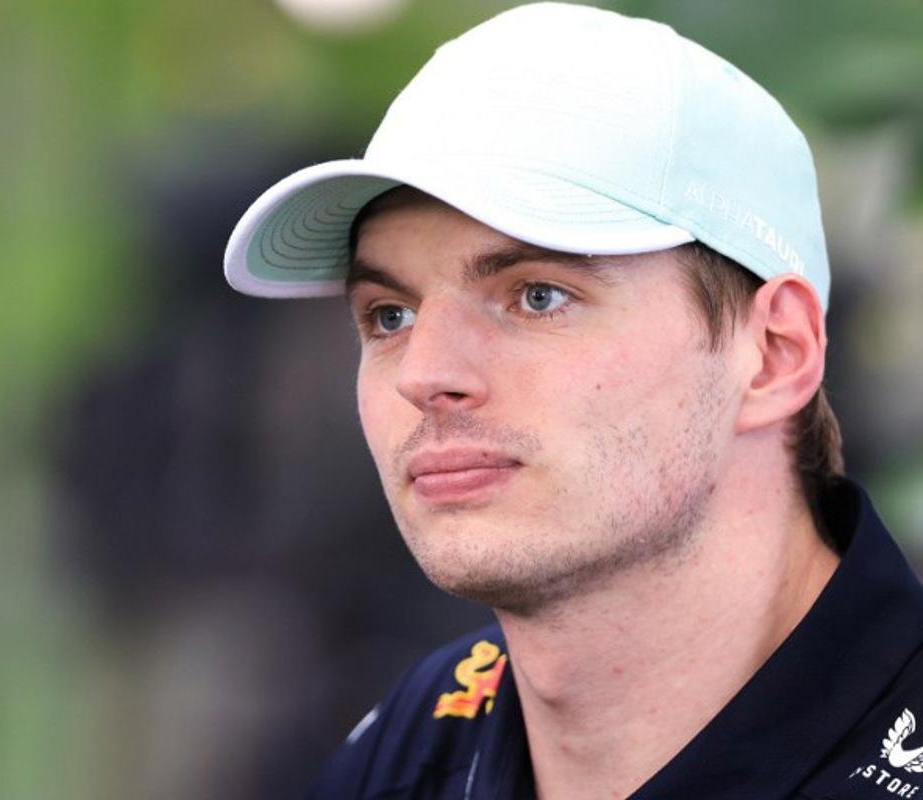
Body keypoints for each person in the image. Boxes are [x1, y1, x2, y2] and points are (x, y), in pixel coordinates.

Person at [223, 4, 923, 798]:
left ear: (772, 354)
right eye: (390, 316)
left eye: (539, 296)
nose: (424, 374)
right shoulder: (419, 739)